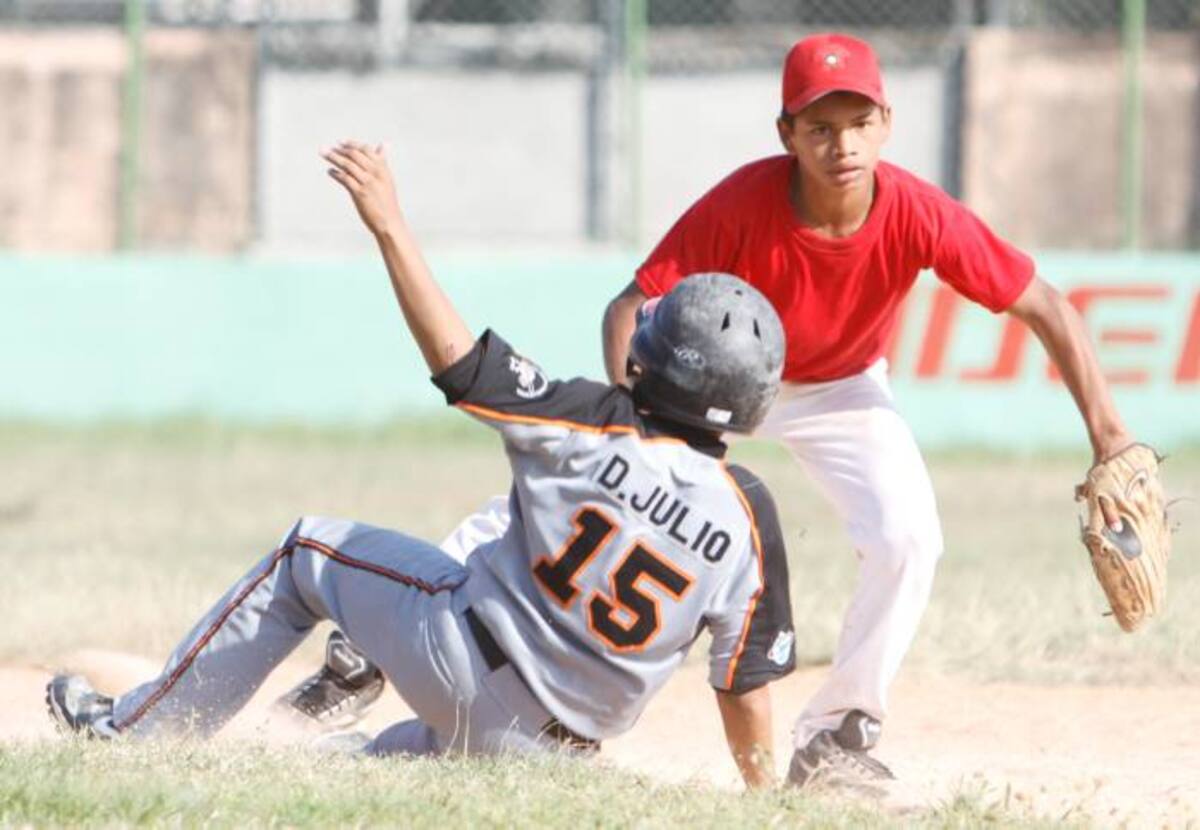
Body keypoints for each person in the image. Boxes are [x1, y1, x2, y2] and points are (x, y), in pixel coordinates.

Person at [45, 141, 798, 789]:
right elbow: (746, 686)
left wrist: (389, 224)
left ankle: (130, 734)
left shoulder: (593, 419)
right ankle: (322, 746)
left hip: (462, 667)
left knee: (305, 552)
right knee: (392, 753)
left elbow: (459, 363)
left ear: (648, 362)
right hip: (557, 755)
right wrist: (766, 800)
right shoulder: (749, 514)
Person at [598, 33, 1137, 788]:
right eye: (819, 127)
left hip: (842, 389)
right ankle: (557, 695)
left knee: (908, 539)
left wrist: (1110, 435)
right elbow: (629, 306)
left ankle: (835, 736)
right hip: (719, 383)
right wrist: (634, 427)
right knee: (626, 520)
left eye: (858, 123)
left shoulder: (917, 211)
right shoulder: (742, 201)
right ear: (787, 134)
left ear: (886, 122)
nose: (842, 145)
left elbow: (1045, 305)